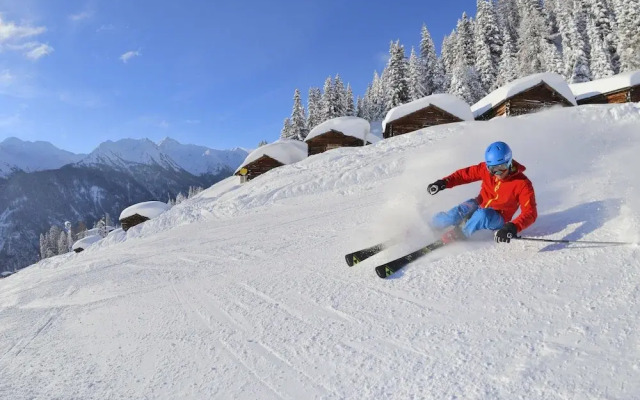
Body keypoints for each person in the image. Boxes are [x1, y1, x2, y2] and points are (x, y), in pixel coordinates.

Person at [427, 141, 537, 244]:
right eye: (493, 169)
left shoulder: (522, 184)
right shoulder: (485, 170)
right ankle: (429, 226)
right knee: (455, 214)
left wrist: (512, 227)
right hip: (479, 204)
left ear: (509, 163)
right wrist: (444, 182)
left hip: (497, 217)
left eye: (502, 167)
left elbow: (530, 213)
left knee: (482, 215)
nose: (497, 173)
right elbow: (464, 175)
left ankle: (459, 234)